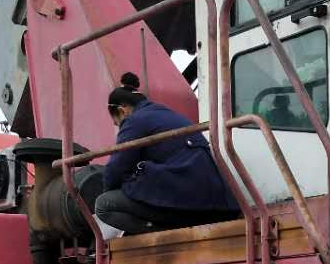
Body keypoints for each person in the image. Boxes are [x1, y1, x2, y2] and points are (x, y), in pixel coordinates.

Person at [94, 73, 240, 235]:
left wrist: (109, 190)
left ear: (122, 111)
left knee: (104, 205)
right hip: (222, 204)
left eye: (117, 123)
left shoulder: (134, 120)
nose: (119, 127)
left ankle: (162, 232)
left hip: (190, 206)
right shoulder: (168, 114)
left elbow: (116, 168)